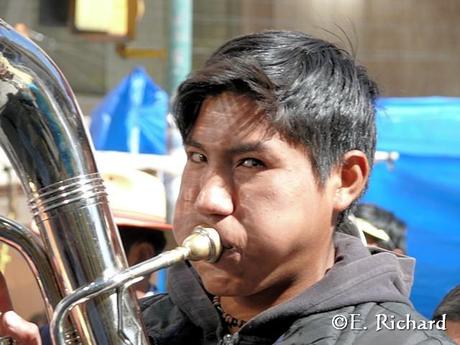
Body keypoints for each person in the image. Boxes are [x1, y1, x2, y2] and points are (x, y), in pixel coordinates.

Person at [0, 30, 454, 344]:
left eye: (251, 163)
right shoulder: (139, 326)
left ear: (345, 179)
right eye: (198, 158)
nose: (208, 199)